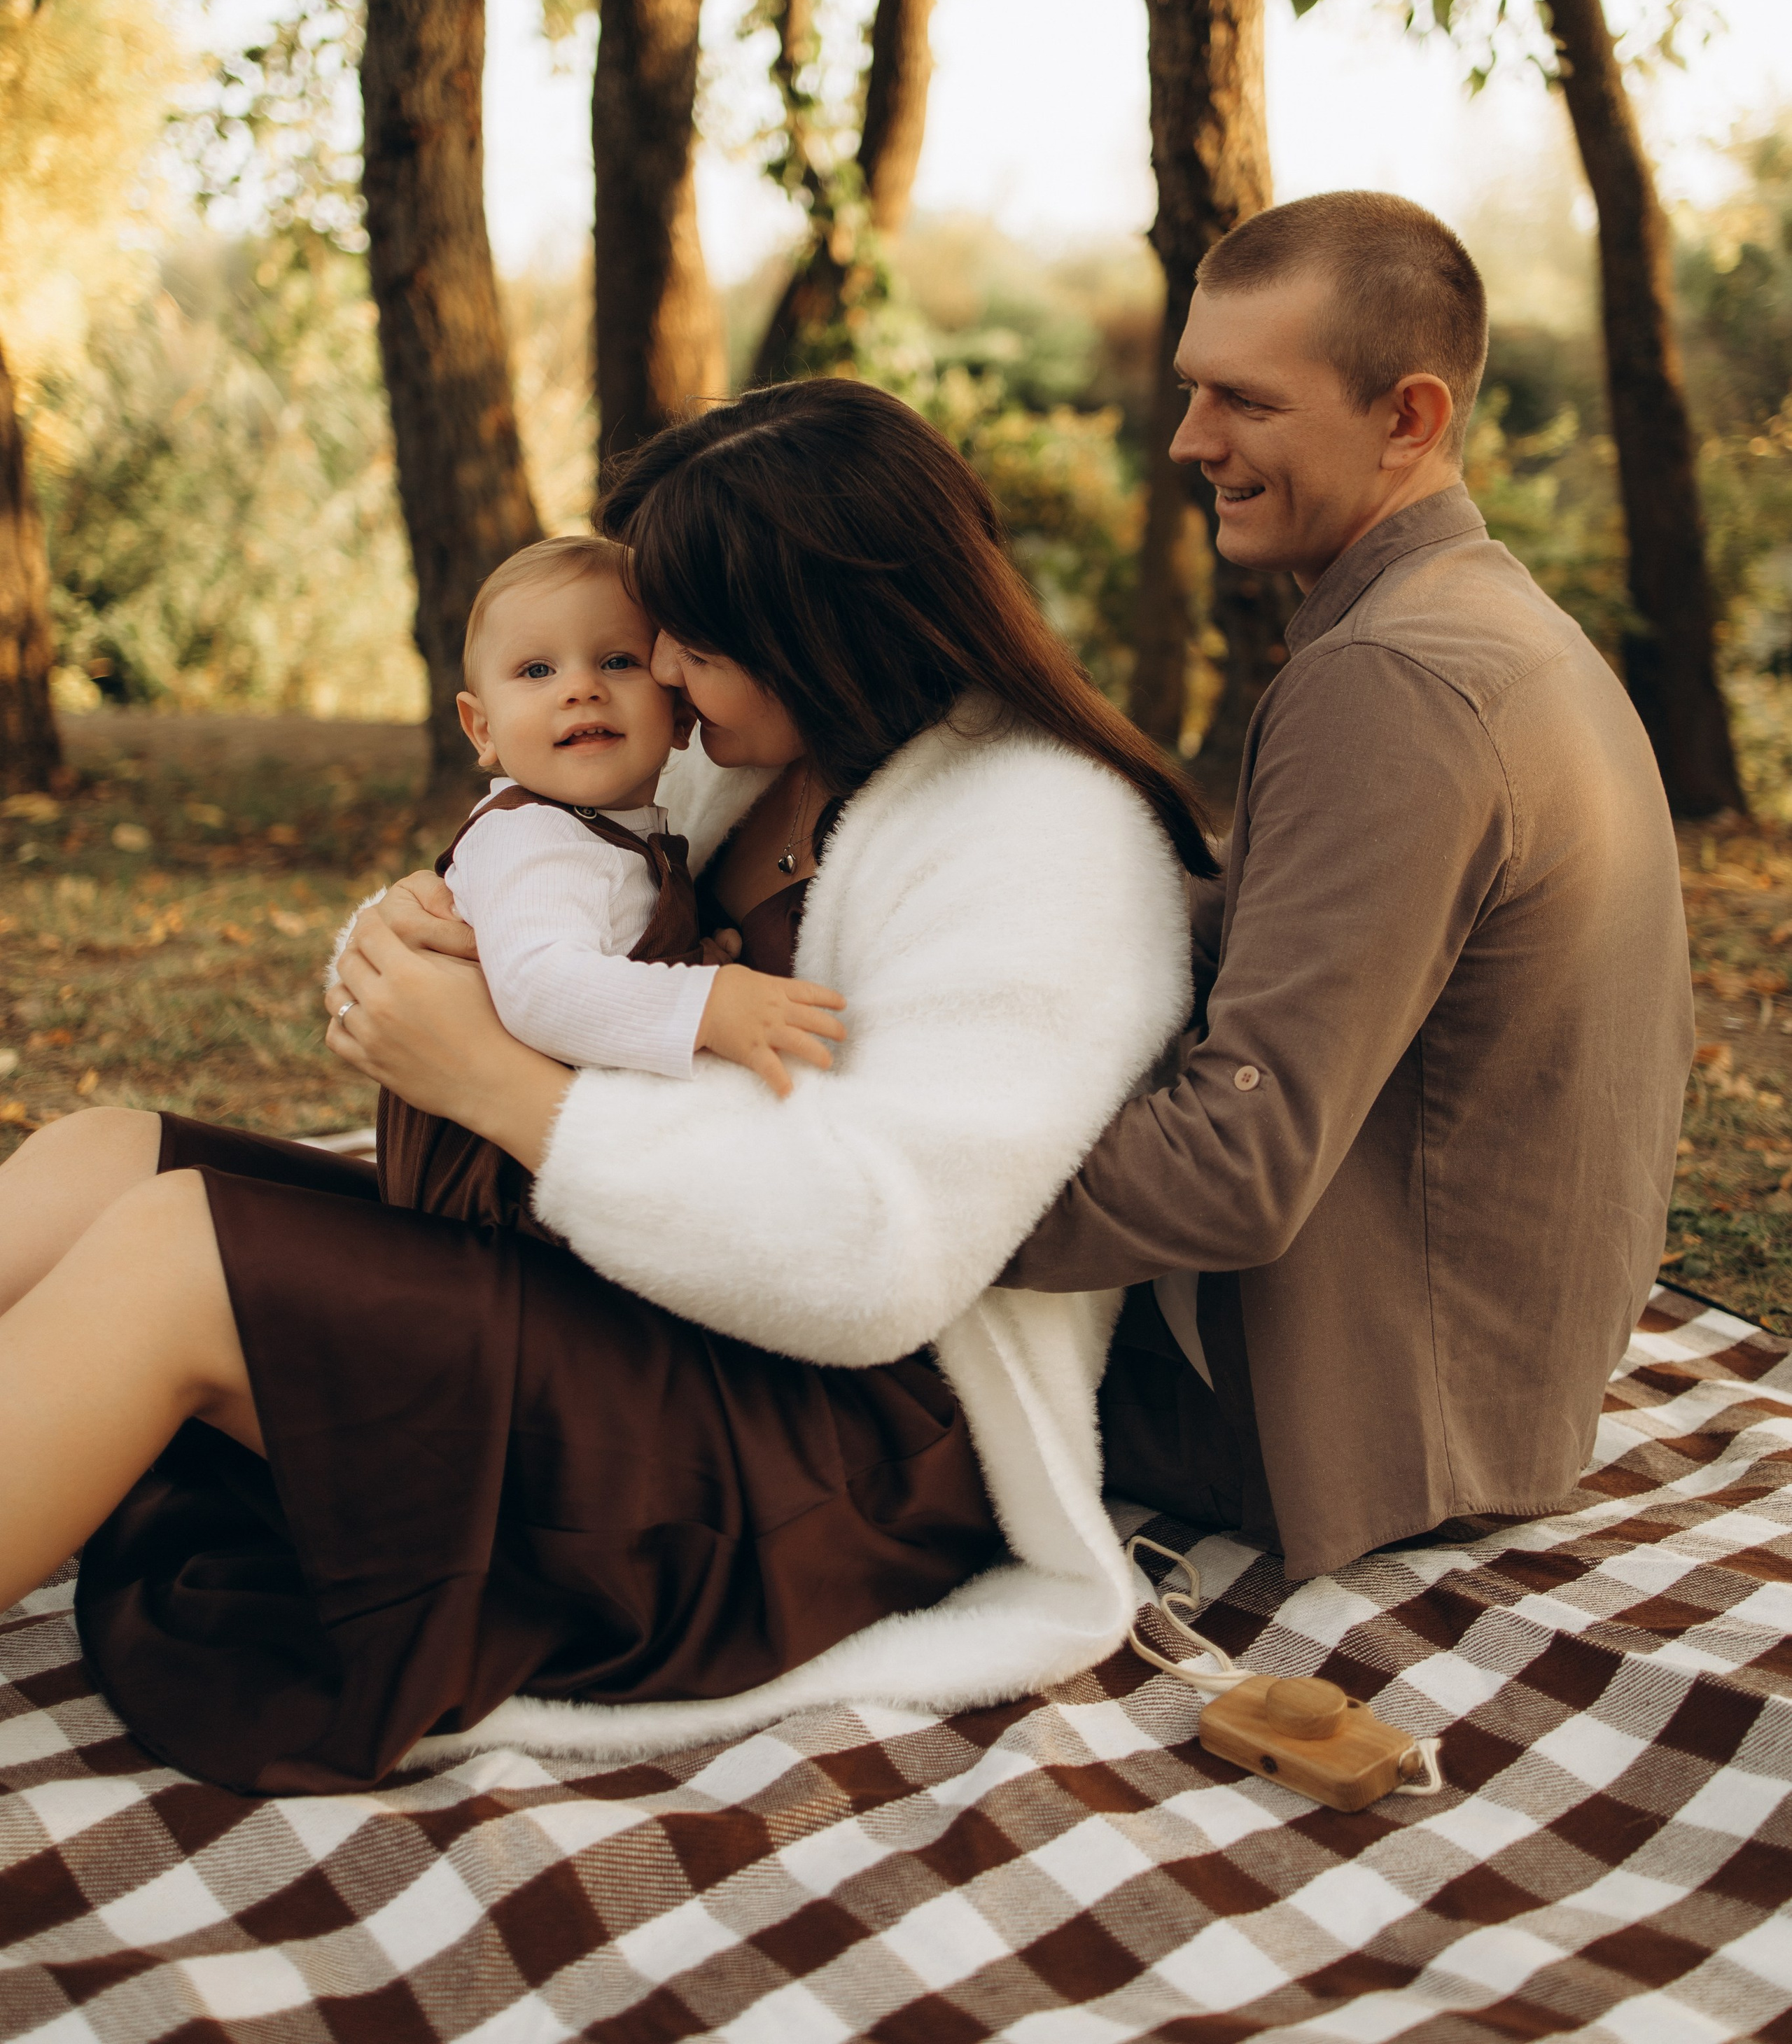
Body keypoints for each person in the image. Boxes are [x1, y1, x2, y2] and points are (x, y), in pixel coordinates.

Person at [0, 379, 1201, 1793]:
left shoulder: (1041, 836)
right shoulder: (743, 765)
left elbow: (877, 1258)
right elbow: (550, 912)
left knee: (176, 1258)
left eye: (692, 638)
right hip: (629, 1298)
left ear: (818, 628)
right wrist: (407, 939)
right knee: (105, 1157)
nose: (660, 672)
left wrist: (501, 1089)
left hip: (824, 1451)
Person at [1002, 190, 1695, 1580]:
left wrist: (876, 1190)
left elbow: (1231, 1175)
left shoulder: (1386, 681)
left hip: (1356, 1424)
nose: (1190, 440)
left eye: (1245, 401)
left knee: (761, 1344)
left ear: (1407, 418)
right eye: (1192, 390)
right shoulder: (1479, 617)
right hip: (1498, 1379)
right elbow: (1274, 927)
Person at [374, 533, 850, 1238]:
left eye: (617, 661)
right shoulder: (533, 837)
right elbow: (539, 986)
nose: (580, 688)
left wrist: (688, 956)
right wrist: (706, 1003)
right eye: (536, 670)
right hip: (495, 1196)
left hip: (557, 1171)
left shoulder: (608, 832)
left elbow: (605, 948)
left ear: (680, 714)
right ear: (482, 728)